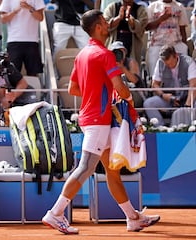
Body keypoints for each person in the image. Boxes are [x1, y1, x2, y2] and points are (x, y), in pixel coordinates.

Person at [42, 9, 160, 234]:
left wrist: (95, 92)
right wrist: (127, 98)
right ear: (98, 27)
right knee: (86, 167)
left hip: (91, 118)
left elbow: (72, 88)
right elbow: (120, 88)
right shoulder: (104, 54)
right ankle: (55, 213)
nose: (109, 25)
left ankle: (132, 218)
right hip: (98, 119)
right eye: (105, 22)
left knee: (111, 172)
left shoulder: (82, 54)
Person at [143, 44, 196, 127]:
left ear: (176, 55)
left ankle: (191, 128)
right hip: (170, 99)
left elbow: (193, 86)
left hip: (187, 98)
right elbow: (155, 84)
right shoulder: (160, 63)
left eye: (171, 63)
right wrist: (163, 95)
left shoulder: (188, 62)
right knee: (148, 103)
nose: (170, 66)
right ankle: (161, 128)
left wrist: (187, 106)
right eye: (167, 64)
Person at [0, 0, 45, 76]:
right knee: (12, 74)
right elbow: (3, 19)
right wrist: (15, 11)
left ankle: (34, 88)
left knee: (33, 73)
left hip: (32, 40)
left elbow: (40, 17)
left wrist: (29, 8)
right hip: (14, 40)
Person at [145, 0, 188, 77]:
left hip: (176, 42)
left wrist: (185, 44)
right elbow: (147, 27)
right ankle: (154, 83)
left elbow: (182, 28)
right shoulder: (153, 6)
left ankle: (182, 84)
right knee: (155, 71)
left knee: (183, 52)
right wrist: (162, 18)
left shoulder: (179, 6)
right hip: (158, 43)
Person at [103, 0, 148, 65]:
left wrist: (131, 20)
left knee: (132, 70)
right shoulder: (112, 7)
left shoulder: (140, 9)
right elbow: (105, 25)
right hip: (113, 45)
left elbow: (142, 27)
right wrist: (119, 18)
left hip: (132, 47)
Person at [109, 41, 145, 108]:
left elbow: (136, 81)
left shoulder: (131, 62)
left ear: (125, 52)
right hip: (117, 96)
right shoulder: (109, 63)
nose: (118, 54)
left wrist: (122, 67)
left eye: (120, 51)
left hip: (134, 94)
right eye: (115, 52)